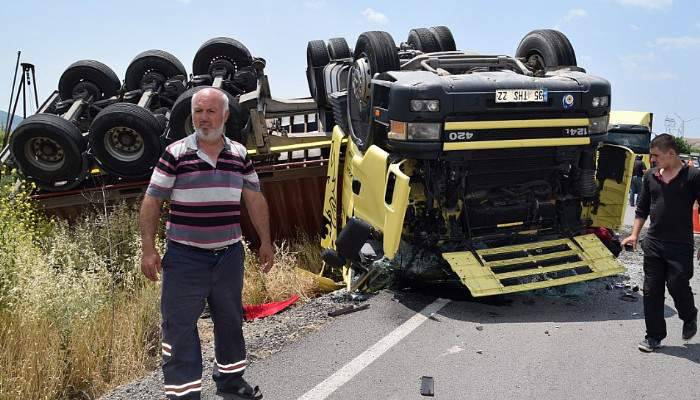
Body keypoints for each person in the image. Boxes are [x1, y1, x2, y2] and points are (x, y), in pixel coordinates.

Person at [140, 87, 272, 399]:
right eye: (198, 111)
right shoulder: (175, 154)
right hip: (185, 259)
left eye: (210, 111)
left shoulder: (239, 154)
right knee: (180, 329)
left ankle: (231, 382)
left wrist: (266, 241)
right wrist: (148, 248)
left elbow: (254, 199)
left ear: (225, 115)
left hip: (228, 256)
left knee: (229, 322)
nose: (203, 118)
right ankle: (184, 395)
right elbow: (152, 200)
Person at [621, 134, 698, 352]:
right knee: (651, 289)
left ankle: (689, 315)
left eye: (656, 156)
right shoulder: (650, 177)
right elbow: (642, 208)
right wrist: (634, 235)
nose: (652, 160)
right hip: (654, 243)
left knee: (677, 284)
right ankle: (653, 335)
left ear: (671, 154)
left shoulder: (693, 176)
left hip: (680, 244)